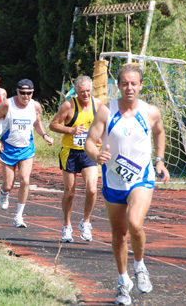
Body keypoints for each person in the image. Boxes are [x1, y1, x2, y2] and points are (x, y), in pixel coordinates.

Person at [84, 64, 170, 306]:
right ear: (118, 85)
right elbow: (90, 141)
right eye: (124, 83)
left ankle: (140, 265)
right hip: (113, 181)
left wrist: (160, 161)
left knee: (134, 222)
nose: (129, 87)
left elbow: (160, 133)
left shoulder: (151, 112)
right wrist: (96, 155)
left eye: (134, 83)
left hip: (141, 178)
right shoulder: (106, 111)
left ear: (141, 85)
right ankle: (123, 282)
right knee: (119, 236)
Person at [0, 79, 54, 228]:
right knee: (8, 184)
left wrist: (45, 136)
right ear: (17, 92)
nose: (26, 96)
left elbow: (37, 123)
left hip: (26, 148)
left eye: (29, 93)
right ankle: (3, 192)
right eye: (23, 93)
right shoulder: (8, 105)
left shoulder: (35, 106)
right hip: (8, 148)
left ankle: (18, 216)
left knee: (25, 180)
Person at [49, 76, 102, 243]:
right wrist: (71, 130)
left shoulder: (98, 105)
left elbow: (104, 126)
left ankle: (85, 222)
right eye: (81, 92)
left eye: (88, 91)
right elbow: (53, 125)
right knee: (70, 192)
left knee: (92, 189)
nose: (85, 94)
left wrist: (101, 137)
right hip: (70, 152)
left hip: (89, 152)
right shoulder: (69, 105)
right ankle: (66, 225)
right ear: (76, 91)